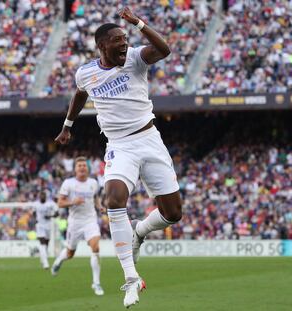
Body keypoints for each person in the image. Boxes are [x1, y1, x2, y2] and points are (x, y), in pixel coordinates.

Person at [55, 7, 182, 308]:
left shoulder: (137, 59)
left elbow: (164, 49)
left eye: (125, 38)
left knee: (173, 214)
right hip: (119, 145)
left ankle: (139, 231)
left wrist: (138, 23)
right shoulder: (86, 72)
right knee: (113, 199)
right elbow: (80, 94)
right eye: (117, 40)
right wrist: (67, 126)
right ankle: (131, 278)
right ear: (102, 46)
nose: (124, 43)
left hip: (149, 138)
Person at [51, 157, 104, 296]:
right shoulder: (68, 183)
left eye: (84, 166)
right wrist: (73, 202)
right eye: (79, 165)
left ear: (87, 168)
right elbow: (60, 203)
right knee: (70, 254)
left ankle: (96, 283)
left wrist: (100, 207)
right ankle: (59, 260)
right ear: (75, 169)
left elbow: (96, 197)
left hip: (90, 221)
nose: (82, 168)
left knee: (96, 247)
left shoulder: (93, 183)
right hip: (74, 223)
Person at [34, 191, 59, 269]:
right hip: (40, 225)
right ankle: (45, 263)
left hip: (48, 226)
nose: (42, 197)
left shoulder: (50, 204)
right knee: (42, 242)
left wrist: (50, 216)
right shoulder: (36, 204)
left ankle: (43, 258)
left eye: (43, 196)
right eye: (41, 196)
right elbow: (33, 212)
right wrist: (36, 218)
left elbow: (57, 213)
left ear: (45, 197)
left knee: (46, 243)